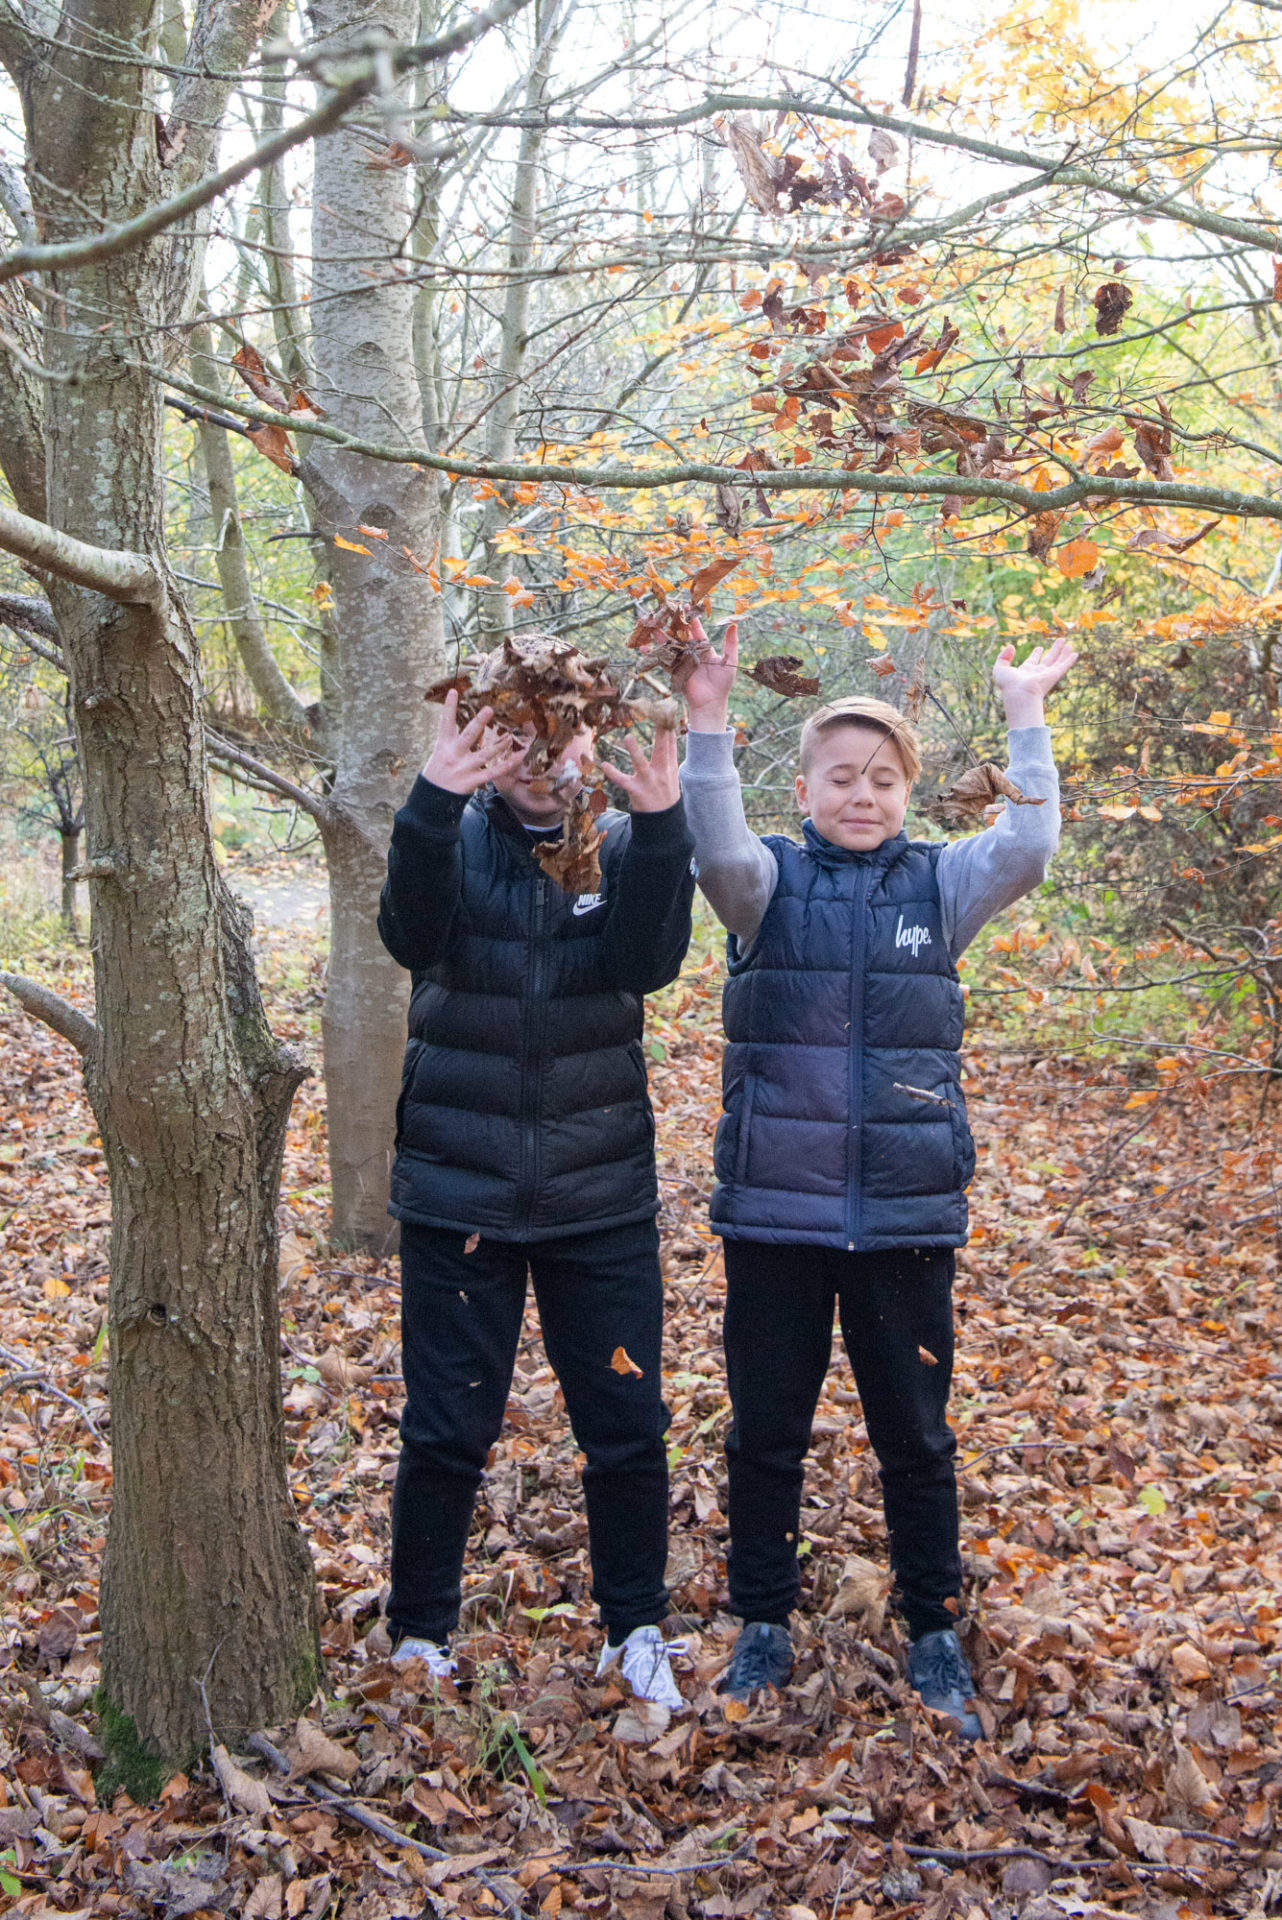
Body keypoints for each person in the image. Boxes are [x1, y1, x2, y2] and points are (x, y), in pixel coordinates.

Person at [677, 627, 1077, 1735]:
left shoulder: (940, 887)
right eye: (842, 778)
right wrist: (706, 717)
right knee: (765, 1430)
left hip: (905, 1218)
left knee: (916, 1435)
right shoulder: (764, 882)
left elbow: (1027, 852)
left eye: (884, 779)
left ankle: (932, 1627)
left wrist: (1023, 715)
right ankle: (762, 1620)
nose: (863, 795)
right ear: (803, 787)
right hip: (775, 1215)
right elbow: (709, 850)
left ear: (906, 792)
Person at [377, 686, 696, 1707]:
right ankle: (419, 1633)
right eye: (510, 737)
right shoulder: (452, 837)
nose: (534, 757)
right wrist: (430, 800)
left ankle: (634, 1630)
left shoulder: (615, 845)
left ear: (586, 742)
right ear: (481, 743)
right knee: (445, 1430)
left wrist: (660, 824)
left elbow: (649, 961)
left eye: (554, 738)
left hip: (596, 1190)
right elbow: (409, 937)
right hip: (456, 1189)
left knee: (625, 1423)